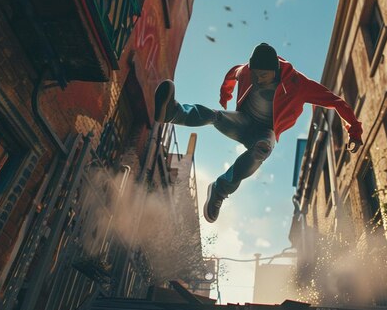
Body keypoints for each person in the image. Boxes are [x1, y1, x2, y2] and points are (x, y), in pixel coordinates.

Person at [154, 42, 363, 223]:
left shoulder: (299, 85)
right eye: (254, 74)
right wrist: (224, 94)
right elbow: (232, 74)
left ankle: (220, 189)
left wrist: (354, 131)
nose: (257, 79)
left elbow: (336, 102)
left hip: (265, 132)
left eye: (262, 75)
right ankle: (172, 112)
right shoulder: (246, 71)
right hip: (243, 122)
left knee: (262, 149)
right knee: (215, 116)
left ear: (275, 70)